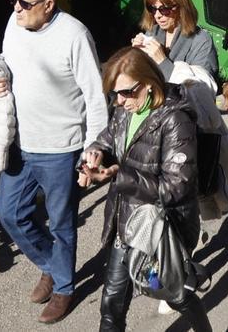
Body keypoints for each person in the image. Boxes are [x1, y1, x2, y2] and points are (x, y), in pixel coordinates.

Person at [0, 0, 107, 324]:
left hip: (60, 147)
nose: (16, 9)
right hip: (21, 142)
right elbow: (6, 61)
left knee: (61, 223)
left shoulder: (74, 35)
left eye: (24, 3)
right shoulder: (15, 24)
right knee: (9, 212)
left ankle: (65, 288)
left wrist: (94, 146)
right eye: (13, 0)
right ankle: (51, 266)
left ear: (48, 5)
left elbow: (94, 95)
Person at [81, 47, 212, 332]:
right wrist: (94, 154)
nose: (119, 101)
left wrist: (120, 175)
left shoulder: (176, 120)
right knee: (111, 306)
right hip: (125, 222)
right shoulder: (124, 110)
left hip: (163, 227)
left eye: (126, 92)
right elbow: (107, 139)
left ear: (149, 84)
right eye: (114, 94)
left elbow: (176, 185)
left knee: (177, 295)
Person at [134, 0, 219, 80]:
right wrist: (137, 55)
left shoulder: (201, 41)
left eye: (164, 9)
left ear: (181, 7)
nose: (157, 15)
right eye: (153, 9)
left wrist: (163, 62)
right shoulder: (153, 32)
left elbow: (200, 89)